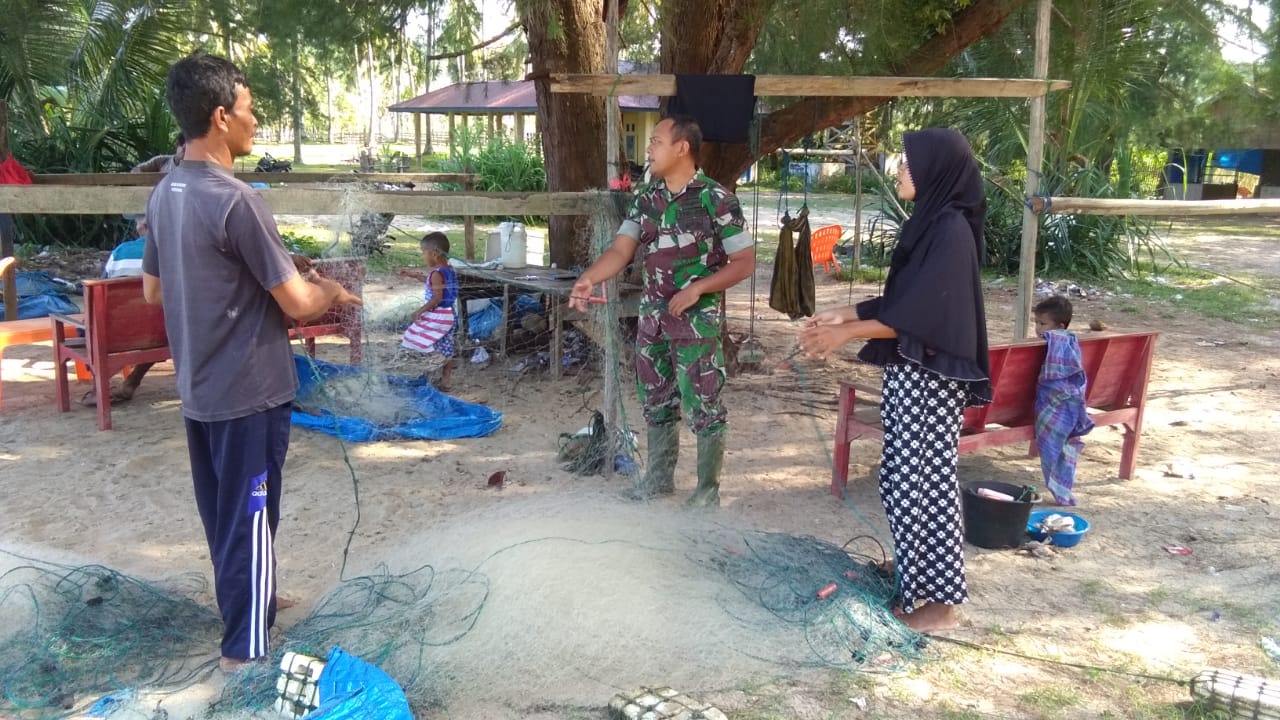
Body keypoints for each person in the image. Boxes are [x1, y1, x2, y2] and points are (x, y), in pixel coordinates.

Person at [142, 52, 362, 672]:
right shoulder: (238, 201)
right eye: (248, 109)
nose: (255, 120)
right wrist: (331, 293)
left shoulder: (165, 193)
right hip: (249, 391)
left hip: (200, 387)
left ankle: (249, 600)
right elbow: (295, 303)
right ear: (219, 118)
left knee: (227, 511)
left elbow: (154, 290)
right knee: (252, 509)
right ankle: (244, 652)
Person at [798, 128, 990, 632]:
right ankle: (916, 574)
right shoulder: (932, 225)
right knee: (901, 481)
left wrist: (845, 335)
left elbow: (923, 317)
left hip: (930, 379)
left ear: (936, 170)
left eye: (908, 163)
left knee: (925, 484)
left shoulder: (950, 230)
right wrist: (843, 315)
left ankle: (941, 605)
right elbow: (906, 303)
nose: (901, 171)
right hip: (913, 375)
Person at [569, 115, 756, 508]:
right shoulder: (647, 199)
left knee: (704, 403)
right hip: (652, 319)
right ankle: (657, 481)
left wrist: (699, 289)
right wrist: (589, 278)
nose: (648, 149)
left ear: (682, 148)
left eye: (655, 141)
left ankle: (706, 493)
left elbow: (744, 261)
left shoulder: (716, 199)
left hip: (695, 321)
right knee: (655, 398)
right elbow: (622, 250)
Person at [1032, 295, 1093, 506]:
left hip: (1050, 402)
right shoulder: (1067, 345)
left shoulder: (1047, 346)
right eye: (1036, 323)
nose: (1038, 329)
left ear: (1060, 325)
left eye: (1042, 324)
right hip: (1062, 399)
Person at [399, 232, 459, 390]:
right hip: (450, 314)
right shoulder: (448, 269)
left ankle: (433, 367)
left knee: (415, 337)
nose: (423, 256)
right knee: (446, 345)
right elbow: (432, 282)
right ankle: (446, 381)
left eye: (423, 252)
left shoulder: (436, 273)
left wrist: (420, 310)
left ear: (435, 254)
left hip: (438, 315)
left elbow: (437, 297)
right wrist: (413, 275)